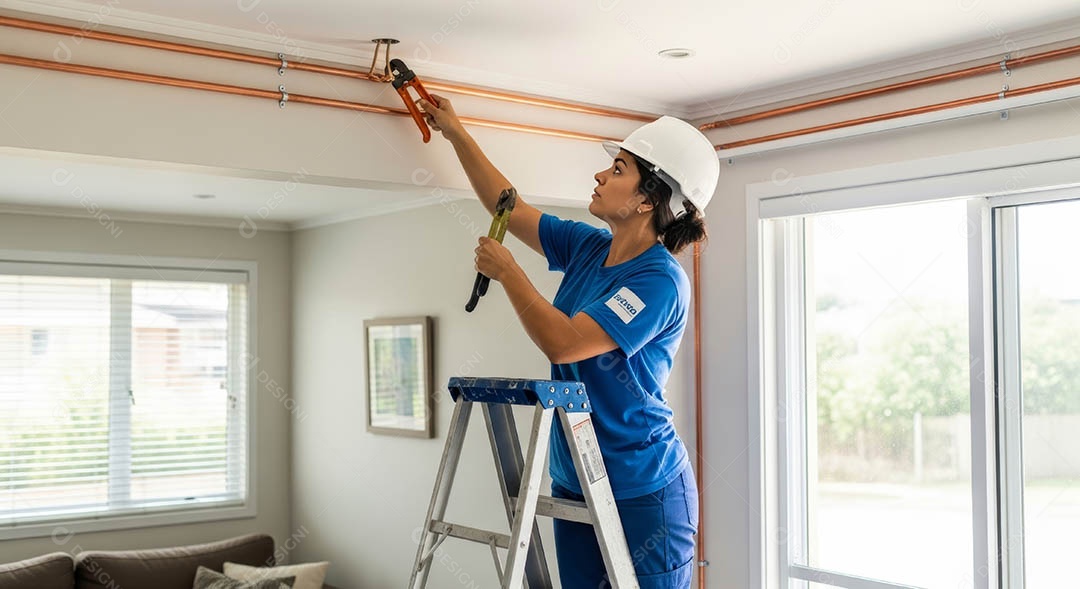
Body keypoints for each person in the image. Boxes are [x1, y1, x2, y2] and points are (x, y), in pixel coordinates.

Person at [420, 94, 719, 589]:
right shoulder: (587, 247)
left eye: (617, 169)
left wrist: (510, 272)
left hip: (641, 485)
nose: (600, 176)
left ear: (647, 198)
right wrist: (455, 132)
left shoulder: (659, 280)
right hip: (575, 473)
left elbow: (564, 343)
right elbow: (507, 207)